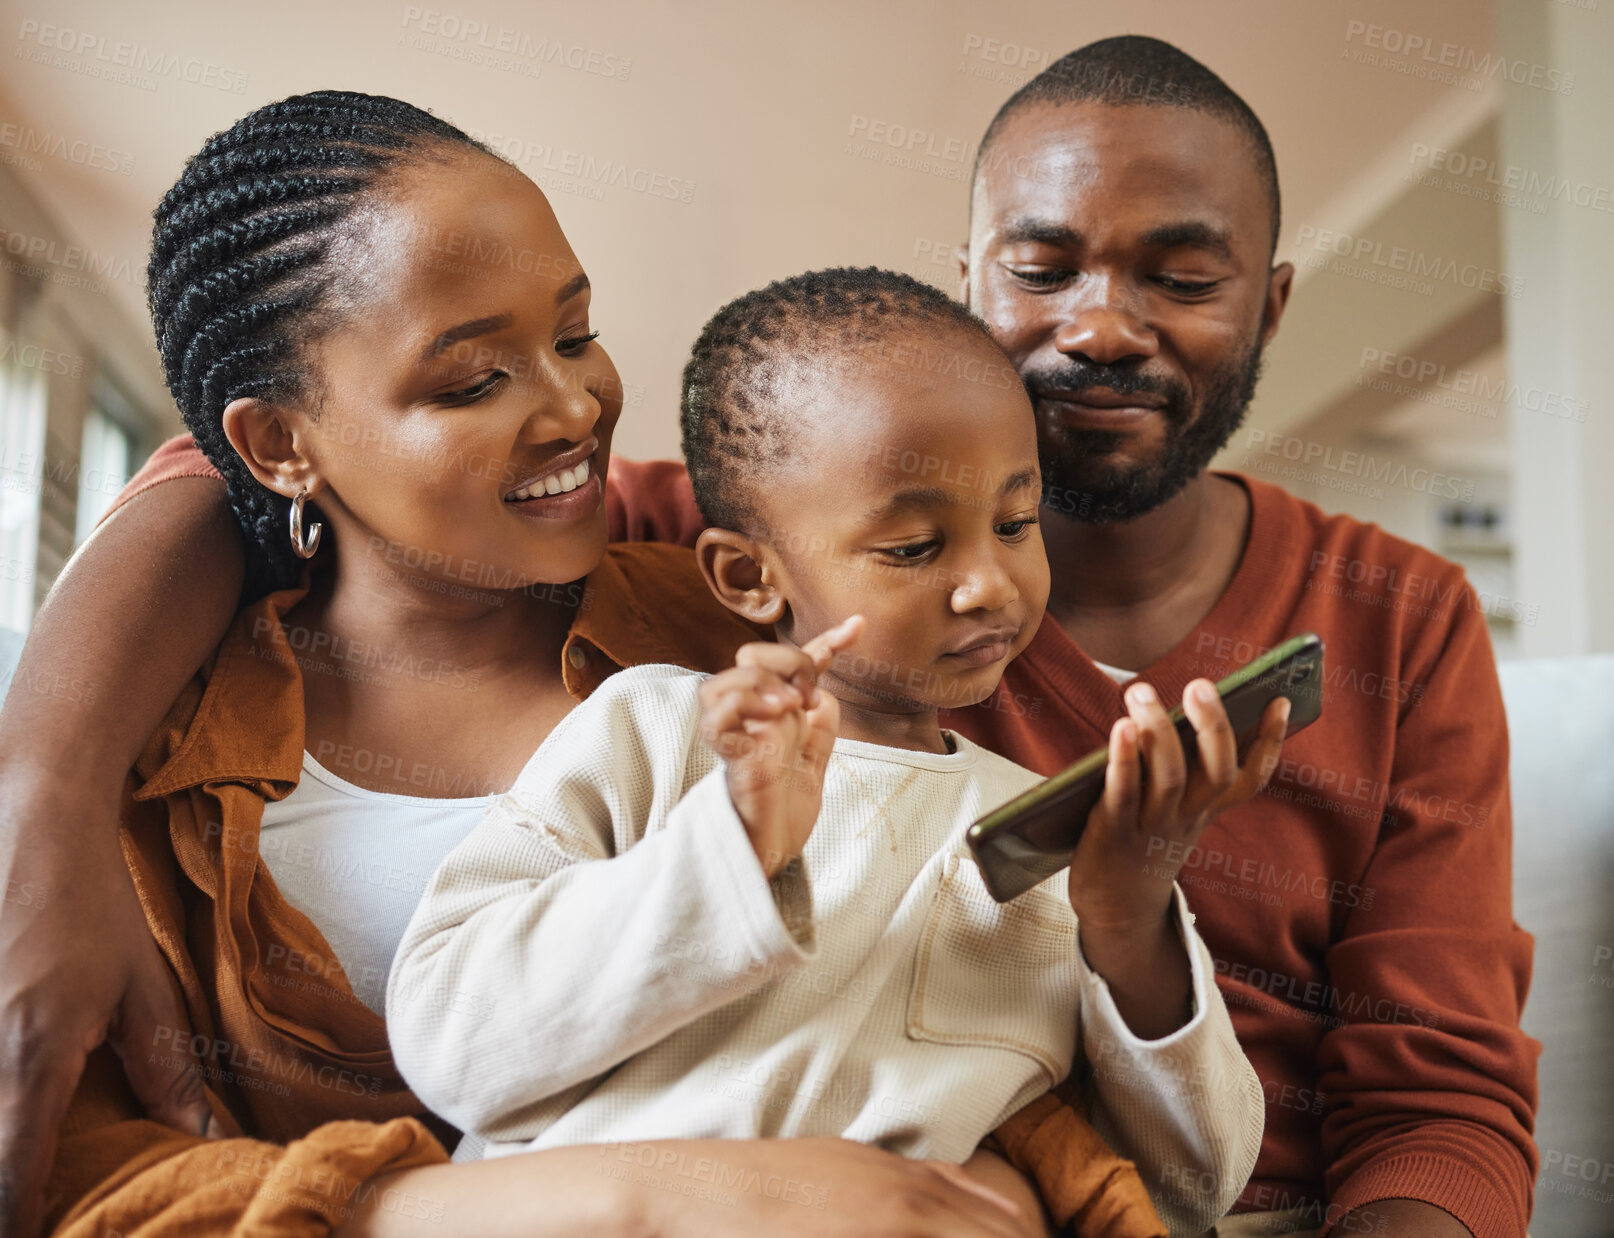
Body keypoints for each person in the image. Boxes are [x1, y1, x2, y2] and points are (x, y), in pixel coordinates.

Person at [0, 34, 1539, 1238]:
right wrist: (41, 786)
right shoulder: (713, 603)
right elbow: (227, 468)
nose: (1101, 324)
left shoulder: (1377, 626)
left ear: (1268, 301)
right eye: (1042, 265)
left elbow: (1406, 1094)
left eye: (1182, 275)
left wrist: (1104, 1001)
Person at [0, 91, 1105, 1238]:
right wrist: (620, 1199)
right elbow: (84, 1182)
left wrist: (1012, 1182)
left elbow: (970, 968)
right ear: (282, 444)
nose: (574, 404)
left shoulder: (749, 621)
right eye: (474, 380)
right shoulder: (158, 758)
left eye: (576, 333)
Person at [386, 268, 1288, 1238]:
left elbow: (1196, 1184)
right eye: (911, 546)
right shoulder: (653, 728)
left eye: (1017, 523)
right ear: (749, 576)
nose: (989, 582)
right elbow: (452, 1041)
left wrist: (1131, 913)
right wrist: (729, 842)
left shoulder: (1070, 837)